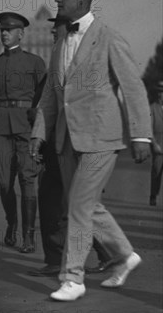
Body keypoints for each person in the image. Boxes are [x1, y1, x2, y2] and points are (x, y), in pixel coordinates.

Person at [31, 0, 151, 301]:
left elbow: (134, 87)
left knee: (79, 206)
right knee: (85, 204)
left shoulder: (109, 38)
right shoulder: (59, 45)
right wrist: (38, 133)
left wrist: (142, 135)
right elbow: (51, 97)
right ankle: (124, 256)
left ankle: (72, 277)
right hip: (67, 138)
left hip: (102, 136)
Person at [28, 16, 111, 277]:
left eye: (59, 28)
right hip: (53, 146)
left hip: (78, 146)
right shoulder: (55, 61)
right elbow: (45, 102)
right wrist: (38, 135)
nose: (54, 31)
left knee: (78, 203)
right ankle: (54, 259)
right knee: (50, 200)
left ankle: (109, 251)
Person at [0, 12, 46, 253]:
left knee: (27, 181)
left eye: (10, 30)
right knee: (4, 183)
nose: (4, 33)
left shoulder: (35, 63)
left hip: (26, 127)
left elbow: (43, 99)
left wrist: (41, 129)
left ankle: (28, 236)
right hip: (1, 129)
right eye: (2, 30)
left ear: (21, 34)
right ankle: (11, 223)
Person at [148, 81, 163, 206]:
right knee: (156, 171)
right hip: (159, 145)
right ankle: (154, 195)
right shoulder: (152, 108)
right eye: (161, 93)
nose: (162, 95)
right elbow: (148, 128)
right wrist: (154, 144)